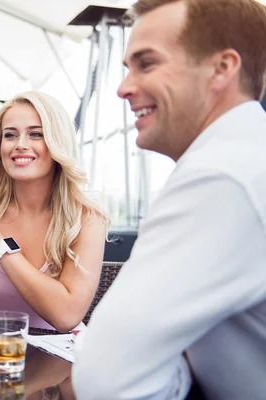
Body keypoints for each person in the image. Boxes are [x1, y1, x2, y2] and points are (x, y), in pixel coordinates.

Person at [72, 1, 266, 399]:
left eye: (146, 63)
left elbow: (106, 381)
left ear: (221, 69)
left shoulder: (220, 175)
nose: (123, 87)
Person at [0, 91, 109, 344]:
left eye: (35, 134)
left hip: (62, 365)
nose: (20, 145)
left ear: (57, 143)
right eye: (10, 135)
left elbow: (66, 316)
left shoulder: (87, 218)